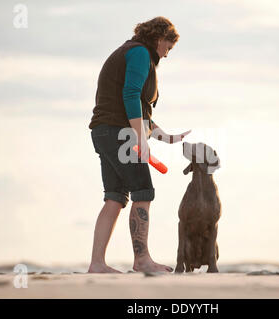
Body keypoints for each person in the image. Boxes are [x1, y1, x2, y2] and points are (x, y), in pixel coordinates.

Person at [88, 16, 191, 273]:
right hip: (119, 133)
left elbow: (138, 110)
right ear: (158, 38)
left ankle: (97, 264)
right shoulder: (139, 54)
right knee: (142, 191)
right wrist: (139, 139)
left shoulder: (130, 52)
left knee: (115, 197)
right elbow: (131, 95)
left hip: (105, 132)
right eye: (168, 47)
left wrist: (164, 136)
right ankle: (142, 260)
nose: (166, 55)